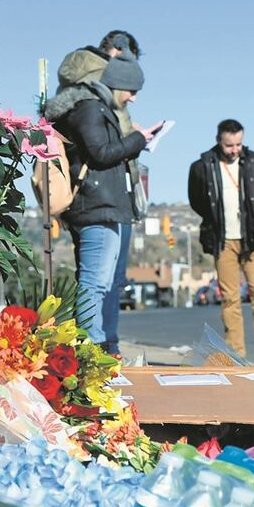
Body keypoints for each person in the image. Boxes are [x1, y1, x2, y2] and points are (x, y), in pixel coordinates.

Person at [52, 30, 160, 356]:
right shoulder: (88, 109)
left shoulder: (98, 108)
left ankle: (97, 345)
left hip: (108, 204)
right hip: (95, 205)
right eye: (131, 91)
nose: (133, 98)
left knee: (101, 282)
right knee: (94, 283)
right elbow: (100, 152)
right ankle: (92, 347)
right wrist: (138, 140)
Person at [188, 119, 254, 365]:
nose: (235, 149)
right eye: (229, 145)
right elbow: (197, 201)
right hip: (222, 240)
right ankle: (236, 353)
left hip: (253, 239)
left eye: (238, 144)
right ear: (219, 141)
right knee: (230, 298)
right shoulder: (202, 166)